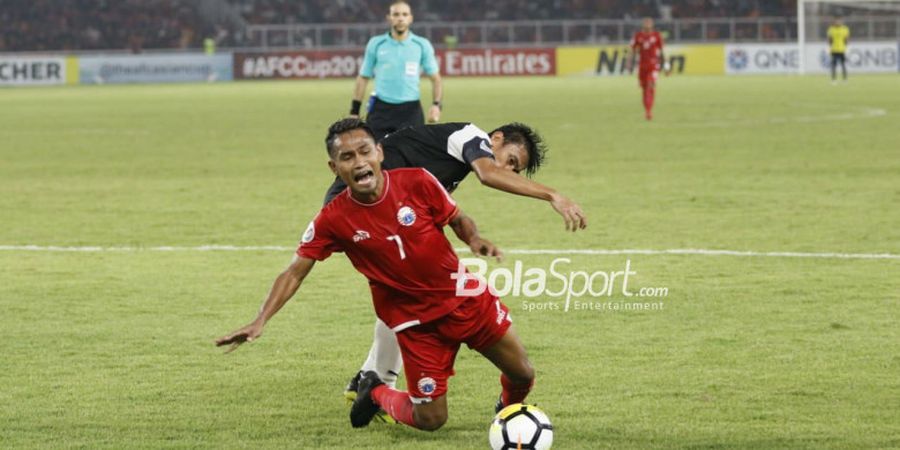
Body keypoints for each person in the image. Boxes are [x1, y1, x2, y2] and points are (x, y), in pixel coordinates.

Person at [216, 119, 535, 431]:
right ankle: (376, 391)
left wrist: (474, 239)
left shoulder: (419, 181)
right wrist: (261, 319)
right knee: (431, 420)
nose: (358, 163)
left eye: (364, 152)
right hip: (416, 325)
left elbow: (457, 218)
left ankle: (509, 417)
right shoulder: (332, 219)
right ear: (334, 168)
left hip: (465, 300)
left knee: (523, 374)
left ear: (380, 152)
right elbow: (294, 272)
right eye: (347, 157)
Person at [325, 121, 587, 406]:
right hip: (358, 206)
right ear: (496, 138)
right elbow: (488, 174)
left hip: (371, 209)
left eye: (515, 170)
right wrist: (552, 194)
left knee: (404, 294)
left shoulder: (448, 166)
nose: (508, 171)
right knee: (412, 294)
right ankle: (375, 383)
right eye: (510, 160)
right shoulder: (469, 135)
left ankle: (369, 381)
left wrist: (471, 238)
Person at [350, 1, 442, 140]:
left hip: (411, 110)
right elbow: (363, 77)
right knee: (375, 155)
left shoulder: (421, 45)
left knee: (411, 157)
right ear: (389, 18)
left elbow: (436, 79)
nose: (400, 18)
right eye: (396, 14)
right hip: (381, 110)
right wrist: (354, 111)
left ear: (410, 18)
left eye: (404, 14)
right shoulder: (376, 43)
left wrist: (436, 105)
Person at [630, 17, 667, 121]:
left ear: (652, 25)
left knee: (650, 86)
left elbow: (663, 51)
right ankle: (647, 110)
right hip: (642, 66)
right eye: (645, 23)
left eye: (649, 23)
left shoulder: (656, 36)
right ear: (643, 25)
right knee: (644, 89)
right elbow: (632, 50)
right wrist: (629, 63)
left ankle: (649, 112)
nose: (647, 25)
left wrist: (666, 65)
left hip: (653, 66)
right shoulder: (638, 36)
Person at [827, 17, 849, 83]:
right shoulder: (831, 29)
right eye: (837, 21)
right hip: (834, 50)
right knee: (834, 65)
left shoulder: (845, 29)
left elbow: (846, 39)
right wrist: (830, 47)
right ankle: (834, 79)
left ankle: (845, 79)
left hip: (842, 49)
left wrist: (845, 46)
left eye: (839, 21)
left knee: (843, 65)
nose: (838, 22)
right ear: (834, 21)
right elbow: (829, 40)